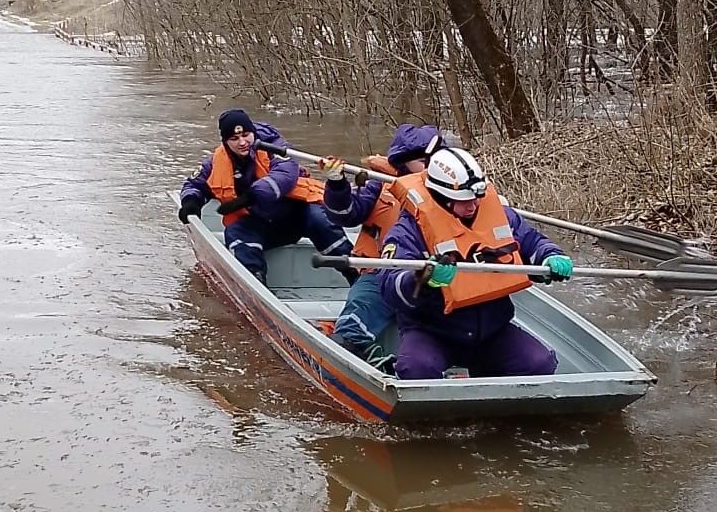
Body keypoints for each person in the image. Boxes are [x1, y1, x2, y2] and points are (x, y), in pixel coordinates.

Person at [378, 147, 576, 380]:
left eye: (475, 199)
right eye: (463, 201)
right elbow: (389, 284)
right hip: (433, 331)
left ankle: (493, 394)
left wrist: (550, 256)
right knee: (416, 369)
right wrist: (423, 279)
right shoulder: (406, 232)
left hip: (492, 330)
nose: (472, 206)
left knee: (540, 364)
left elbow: (532, 240)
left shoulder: (499, 215)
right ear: (441, 197)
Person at [317, 123, 444, 369]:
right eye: (424, 161)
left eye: (436, 160)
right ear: (404, 163)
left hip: (438, 280)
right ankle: (367, 360)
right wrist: (337, 184)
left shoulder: (458, 190)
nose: (431, 167)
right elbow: (347, 214)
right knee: (353, 324)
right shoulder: (379, 183)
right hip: (382, 274)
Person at [177, 109, 352, 283]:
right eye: (234, 139)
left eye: (246, 135)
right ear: (225, 142)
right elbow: (194, 184)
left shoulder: (275, 147)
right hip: (260, 222)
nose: (242, 142)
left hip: (296, 215)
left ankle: (355, 272)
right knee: (236, 233)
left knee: (321, 220)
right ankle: (254, 280)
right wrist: (191, 202)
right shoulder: (215, 163)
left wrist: (252, 196)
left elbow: (285, 174)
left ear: (252, 132)